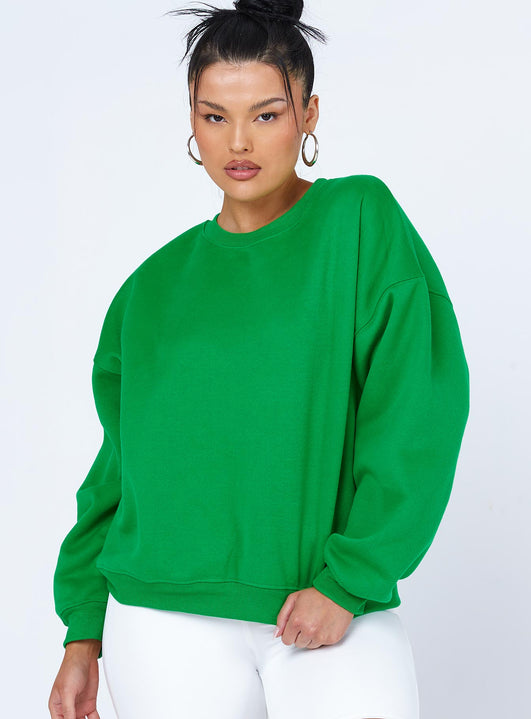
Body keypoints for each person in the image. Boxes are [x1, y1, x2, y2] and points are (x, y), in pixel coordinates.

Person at [48, 1, 470, 717]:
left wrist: (350, 580)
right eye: (214, 116)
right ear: (191, 120)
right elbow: (119, 470)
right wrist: (83, 629)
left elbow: (418, 414)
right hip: (160, 620)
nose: (238, 141)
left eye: (266, 115)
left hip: (327, 605)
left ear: (309, 114)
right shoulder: (150, 289)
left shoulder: (358, 222)